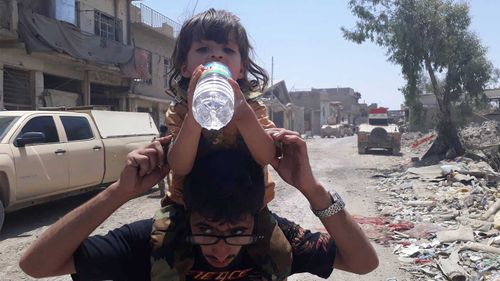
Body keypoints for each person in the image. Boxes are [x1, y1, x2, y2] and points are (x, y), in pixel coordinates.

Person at [19, 129, 379, 280]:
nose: (222, 250)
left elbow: (364, 263)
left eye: (237, 233)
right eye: (205, 232)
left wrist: (311, 188)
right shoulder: (156, 241)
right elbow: (35, 264)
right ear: (186, 216)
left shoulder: (274, 239)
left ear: (255, 221)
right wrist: (118, 193)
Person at [160, 8, 288, 277]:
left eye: (227, 50)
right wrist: (195, 115)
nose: (216, 55)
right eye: (204, 48)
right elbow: (179, 166)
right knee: (163, 256)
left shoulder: (253, 108)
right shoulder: (180, 110)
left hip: (248, 205)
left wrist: (243, 114)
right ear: (185, 67)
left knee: (280, 255)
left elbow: (266, 156)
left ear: (240, 69)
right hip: (187, 205)